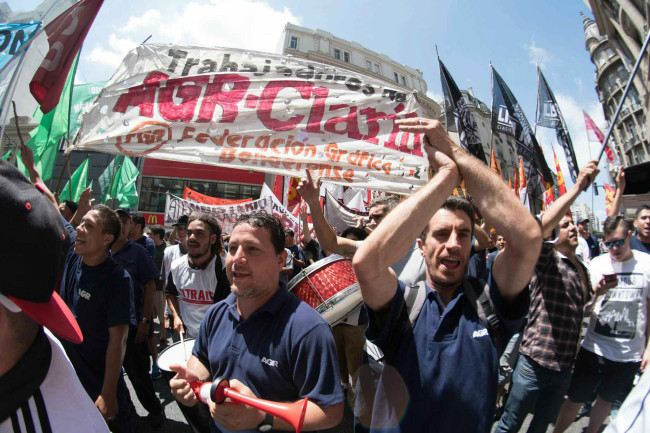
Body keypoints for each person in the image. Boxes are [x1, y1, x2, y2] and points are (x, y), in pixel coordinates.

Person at [352, 117, 539, 432]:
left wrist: (455, 152)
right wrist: (447, 176)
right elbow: (366, 262)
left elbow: (527, 239)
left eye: (463, 234)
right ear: (421, 246)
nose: (453, 244)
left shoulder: (490, 303)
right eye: (441, 234)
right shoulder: (403, 304)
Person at [169, 212, 344, 432]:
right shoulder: (216, 314)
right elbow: (201, 357)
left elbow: (329, 411)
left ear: (280, 260)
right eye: (232, 248)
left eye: (252, 249)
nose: (237, 259)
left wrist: (263, 417)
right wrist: (192, 378)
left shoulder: (309, 330)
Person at [0, 158, 109, 433]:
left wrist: (108, 390)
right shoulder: (65, 250)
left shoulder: (118, 276)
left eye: (89, 225)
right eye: (79, 224)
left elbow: (118, 337)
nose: (80, 230)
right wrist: (33, 169)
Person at [494, 161, 603, 433]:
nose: (574, 228)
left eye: (574, 224)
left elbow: (582, 310)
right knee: (509, 424)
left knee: (540, 426)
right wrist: (578, 188)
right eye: (566, 225)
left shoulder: (581, 268)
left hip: (564, 366)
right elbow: (537, 229)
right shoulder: (546, 258)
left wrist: (599, 293)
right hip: (535, 363)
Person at [553, 215, 650, 433]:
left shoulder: (646, 264)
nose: (614, 248)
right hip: (594, 349)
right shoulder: (596, 265)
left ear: (629, 236)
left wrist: (648, 350)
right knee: (575, 398)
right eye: (609, 243)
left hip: (629, 354)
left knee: (606, 400)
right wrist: (598, 293)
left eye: (618, 242)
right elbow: (583, 309)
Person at [297, 179, 426, 286]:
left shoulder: (424, 250)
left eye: (378, 217)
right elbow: (331, 243)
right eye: (370, 218)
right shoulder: (371, 249)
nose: (372, 223)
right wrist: (313, 203)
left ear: (397, 215)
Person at [112, 209, 165, 427]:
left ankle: (155, 411)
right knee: (111, 375)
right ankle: (126, 413)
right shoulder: (101, 250)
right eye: (118, 221)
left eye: (126, 221)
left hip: (134, 327)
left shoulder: (138, 252)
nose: (122, 225)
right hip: (108, 327)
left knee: (137, 374)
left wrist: (145, 321)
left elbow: (150, 285)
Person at [166, 213, 230, 338]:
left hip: (216, 336)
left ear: (212, 239)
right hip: (187, 336)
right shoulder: (176, 266)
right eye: (189, 233)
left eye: (199, 233)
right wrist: (176, 316)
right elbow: (170, 293)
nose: (192, 238)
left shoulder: (224, 270)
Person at [147, 226, 168, 348]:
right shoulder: (149, 248)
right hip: (149, 285)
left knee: (161, 315)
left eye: (150, 234)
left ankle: (163, 338)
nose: (148, 236)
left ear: (157, 235)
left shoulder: (166, 249)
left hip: (160, 288)